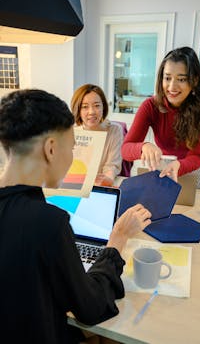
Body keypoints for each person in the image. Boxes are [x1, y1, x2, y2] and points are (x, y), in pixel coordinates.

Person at [0, 89, 152, 344]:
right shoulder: (49, 223)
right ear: (51, 149)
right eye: (72, 148)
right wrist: (118, 239)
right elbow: (90, 307)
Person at [121, 46, 200, 182]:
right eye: (167, 78)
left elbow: (197, 156)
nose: (172, 87)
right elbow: (126, 149)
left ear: (195, 80)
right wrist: (143, 146)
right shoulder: (150, 106)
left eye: (181, 79)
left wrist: (180, 165)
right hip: (167, 166)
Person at [71, 84, 123, 186]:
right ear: (78, 110)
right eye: (85, 107)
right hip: (75, 185)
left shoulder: (114, 130)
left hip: (99, 186)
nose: (91, 112)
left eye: (97, 105)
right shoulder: (71, 132)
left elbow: (112, 166)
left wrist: (108, 179)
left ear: (103, 107)